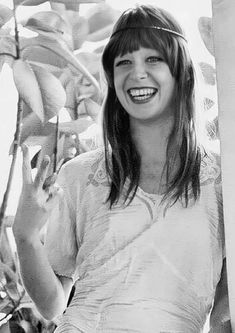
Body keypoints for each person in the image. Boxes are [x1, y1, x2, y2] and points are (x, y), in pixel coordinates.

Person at [13, 4, 231, 333]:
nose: (136, 73)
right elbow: (53, 303)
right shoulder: (80, 174)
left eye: (153, 59)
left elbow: (223, 317)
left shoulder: (222, 182)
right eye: (124, 62)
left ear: (182, 71)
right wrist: (25, 235)